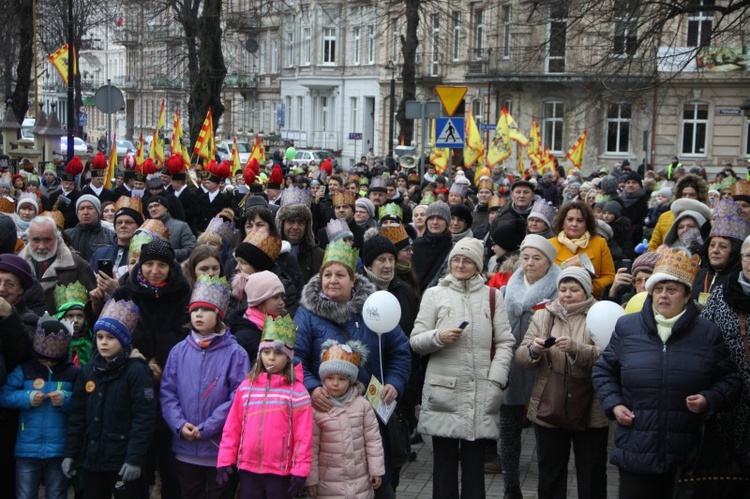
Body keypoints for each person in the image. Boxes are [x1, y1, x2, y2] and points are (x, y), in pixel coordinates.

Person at [593, 249, 742, 498]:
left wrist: (709, 398)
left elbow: (731, 379)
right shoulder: (627, 328)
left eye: (672, 290)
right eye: (658, 289)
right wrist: (615, 404)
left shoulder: (707, 333)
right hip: (636, 449)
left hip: (687, 456)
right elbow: (603, 370)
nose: (663, 295)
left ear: (686, 296)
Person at [294, 239, 412, 498]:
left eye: (340, 275)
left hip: (370, 412)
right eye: (327, 274)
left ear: (353, 280)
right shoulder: (306, 315)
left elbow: (400, 351)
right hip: (327, 416)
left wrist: (394, 382)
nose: (333, 280)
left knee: (380, 483)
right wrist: (312, 388)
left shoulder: (374, 309)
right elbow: (295, 358)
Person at [409, 237, 515, 499]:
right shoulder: (434, 294)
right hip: (443, 392)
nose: (460, 264)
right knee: (443, 468)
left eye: (467, 260)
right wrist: (438, 337)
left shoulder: (493, 296)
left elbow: (505, 341)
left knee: (474, 468)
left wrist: (496, 380)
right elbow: (415, 340)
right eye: (456, 259)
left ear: (478, 265)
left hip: (481, 391)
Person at [516, 266, 609, 499]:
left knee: (592, 472)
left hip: (591, 405)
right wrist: (533, 350)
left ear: (587, 291)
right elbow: (521, 357)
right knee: (550, 471)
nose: (567, 294)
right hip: (550, 401)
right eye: (563, 289)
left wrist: (578, 349)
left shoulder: (600, 313)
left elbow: (611, 356)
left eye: (574, 289)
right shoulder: (543, 315)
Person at [160, 275, 250, 499]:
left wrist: (209, 427)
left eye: (206, 310)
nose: (198, 314)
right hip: (186, 448)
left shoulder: (235, 353)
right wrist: (180, 424)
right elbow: (168, 393)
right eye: (195, 309)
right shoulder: (178, 351)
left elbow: (238, 396)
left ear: (219, 315)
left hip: (219, 447)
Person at [488, 235, 561, 497]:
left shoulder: (559, 288)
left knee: (544, 432)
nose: (529, 263)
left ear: (549, 262)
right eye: (526, 257)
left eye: (537, 258)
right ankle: (511, 487)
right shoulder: (508, 287)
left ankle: (547, 488)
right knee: (508, 430)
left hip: (544, 366)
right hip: (511, 366)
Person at [62, 299, 156, 499]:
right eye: (100, 336)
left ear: (122, 340)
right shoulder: (88, 371)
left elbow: (144, 418)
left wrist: (135, 459)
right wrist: (71, 453)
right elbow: (77, 416)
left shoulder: (137, 371)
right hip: (94, 458)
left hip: (123, 461)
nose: (103, 342)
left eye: (111, 338)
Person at [216, 315, 313, 498]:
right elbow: (233, 427)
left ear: (288, 357)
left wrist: (300, 469)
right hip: (248, 467)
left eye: (277, 354)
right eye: (266, 352)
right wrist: (225, 459)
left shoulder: (297, 392)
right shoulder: (247, 388)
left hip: (280, 471)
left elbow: (303, 435)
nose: (271, 358)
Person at [0, 317, 79, 499]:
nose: (48, 364)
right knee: (25, 494)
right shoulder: (25, 369)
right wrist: (26, 398)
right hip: (27, 448)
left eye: (52, 361)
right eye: (43, 360)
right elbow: (4, 394)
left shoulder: (73, 373)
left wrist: (65, 399)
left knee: (57, 494)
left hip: (59, 449)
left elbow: (82, 403)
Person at [305, 340, 385, 499]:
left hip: (360, 481)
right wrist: (311, 479)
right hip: (328, 484)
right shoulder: (316, 410)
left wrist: (376, 469)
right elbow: (311, 447)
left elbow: (373, 440)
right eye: (330, 378)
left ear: (350, 380)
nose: (335, 383)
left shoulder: (362, 405)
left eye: (341, 379)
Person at [701, 234, 750, 470]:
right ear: (741, 258)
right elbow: (703, 338)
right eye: (749, 256)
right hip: (728, 394)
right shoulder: (721, 295)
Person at [18, 216, 97, 315]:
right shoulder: (16, 267)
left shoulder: (79, 265)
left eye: (47, 240)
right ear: (28, 239)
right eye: (36, 240)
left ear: (57, 238)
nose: (41, 246)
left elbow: (93, 307)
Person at [548, 201, 615, 298]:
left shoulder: (599, 243)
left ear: (587, 224)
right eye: (570, 219)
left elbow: (609, 277)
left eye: (580, 220)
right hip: (557, 299)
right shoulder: (550, 244)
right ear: (562, 222)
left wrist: (587, 287)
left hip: (590, 300)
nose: (574, 224)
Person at [692, 200, 749, 306]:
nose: (715, 250)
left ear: (734, 251)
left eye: (723, 246)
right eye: (712, 245)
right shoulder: (699, 274)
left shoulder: (739, 280)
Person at [228, 270, 286, 360]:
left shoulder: (281, 325)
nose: (282, 303)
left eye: (281, 296)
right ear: (260, 300)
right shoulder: (243, 336)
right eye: (275, 297)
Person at [412, 201, 454, 292]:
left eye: (439, 218)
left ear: (447, 222)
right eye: (431, 218)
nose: (435, 222)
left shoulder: (453, 248)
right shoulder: (415, 246)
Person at [64, 194, 116, 261]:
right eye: (81, 208)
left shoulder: (111, 236)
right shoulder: (66, 236)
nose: (85, 212)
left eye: (90, 208)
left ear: (98, 212)